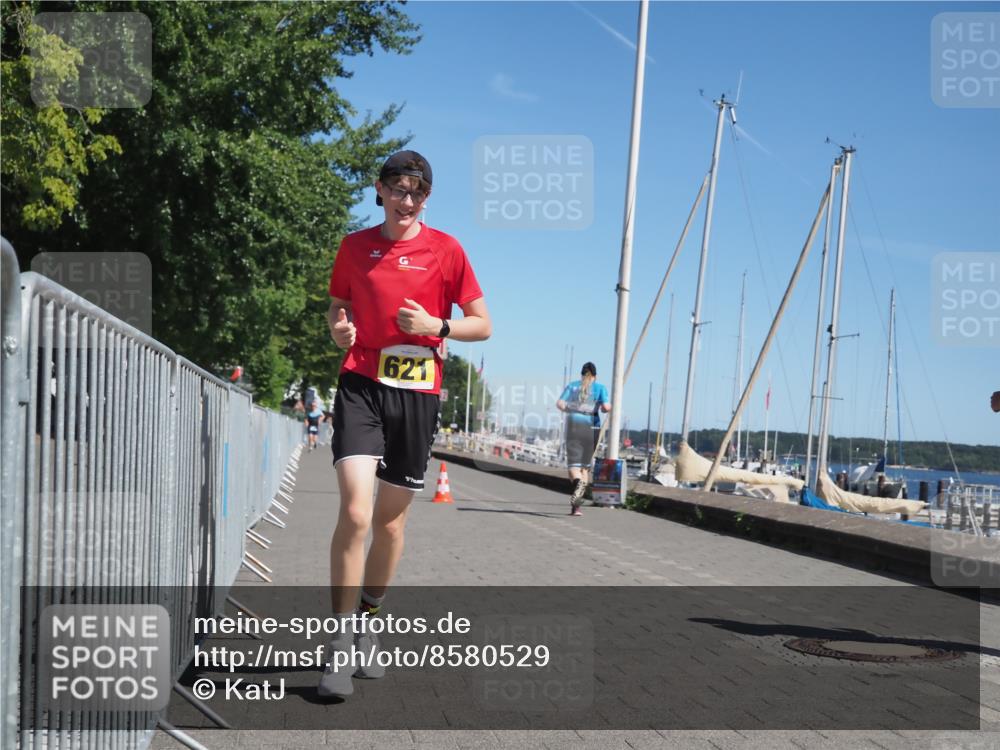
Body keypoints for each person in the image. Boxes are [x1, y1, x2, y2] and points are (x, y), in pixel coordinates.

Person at [320, 150, 491, 698]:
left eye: (417, 191)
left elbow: (482, 325)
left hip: (417, 394)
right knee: (355, 510)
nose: (407, 199)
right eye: (397, 188)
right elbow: (337, 306)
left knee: (390, 526)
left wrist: (436, 324)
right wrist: (339, 331)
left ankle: (371, 618)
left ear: (427, 198)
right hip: (362, 385)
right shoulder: (354, 247)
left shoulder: (447, 250)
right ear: (380, 190)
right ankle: (339, 646)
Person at [556, 362, 611, 516]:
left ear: (581, 375)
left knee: (573, 468)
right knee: (584, 468)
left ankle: (577, 498)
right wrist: (602, 406)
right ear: (595, 376)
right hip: (592, 428)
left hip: (574, 426)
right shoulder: (600, 388)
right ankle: (577, 506)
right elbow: (606, 408)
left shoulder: (572, 386)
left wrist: (572, 408)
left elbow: (559, 404)